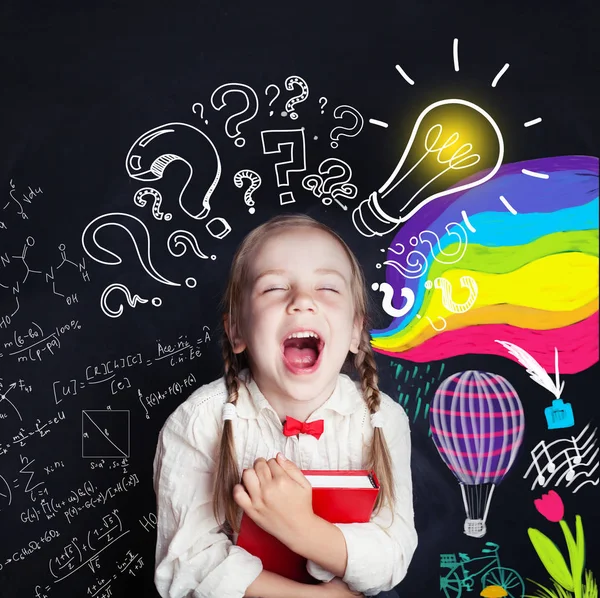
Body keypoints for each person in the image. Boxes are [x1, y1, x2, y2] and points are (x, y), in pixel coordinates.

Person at [153, 213, 418, 598]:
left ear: (356, 332)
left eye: (327, 288)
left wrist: (300, 527)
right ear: (236, 331)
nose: (302, 301)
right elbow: (188, 565)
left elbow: (391, 554)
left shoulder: (382, 419)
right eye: (274, 288)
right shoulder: (197, 421)